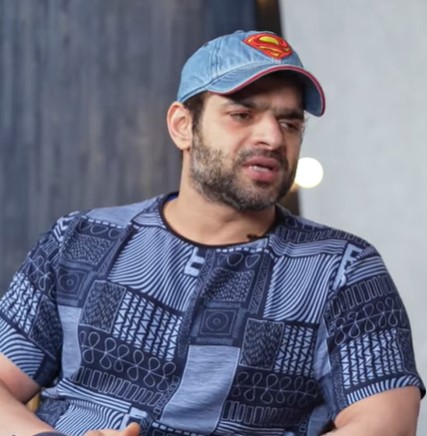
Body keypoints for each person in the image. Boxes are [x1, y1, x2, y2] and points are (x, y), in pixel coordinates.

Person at [0, 29, 424, 436]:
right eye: (242, 114)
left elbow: (386, 424)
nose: (272, 137)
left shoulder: (341, 269)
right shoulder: (80, 239)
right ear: (182, 125)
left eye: (290, 123)